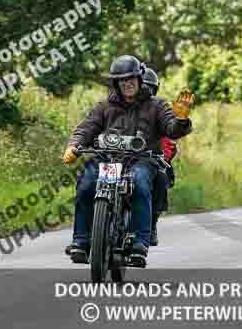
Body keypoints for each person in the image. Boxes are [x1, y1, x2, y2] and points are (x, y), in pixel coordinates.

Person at [62, 55, 195, 264]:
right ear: (116, 83)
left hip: (141, 160)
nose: (127, 83)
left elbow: (172, 129)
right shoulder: (104, 106)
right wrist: (73, 146)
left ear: (140, 79)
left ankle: (139, 243)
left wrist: (181, 120)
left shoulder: (157, 105)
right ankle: (81, 240)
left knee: (140, 183)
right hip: (107, 159)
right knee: (87, 183)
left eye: (131, 78)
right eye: (122, 80)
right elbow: (85, 129)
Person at [141, 66, 179, 239]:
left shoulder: (158, 108)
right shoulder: (117, 105)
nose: (144, 92)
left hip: (148, 160)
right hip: (117, 157)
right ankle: (87, 234)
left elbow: (169, 136)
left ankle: (152, 223)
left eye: (149, 88)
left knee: (161, 177)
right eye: (142, 86)